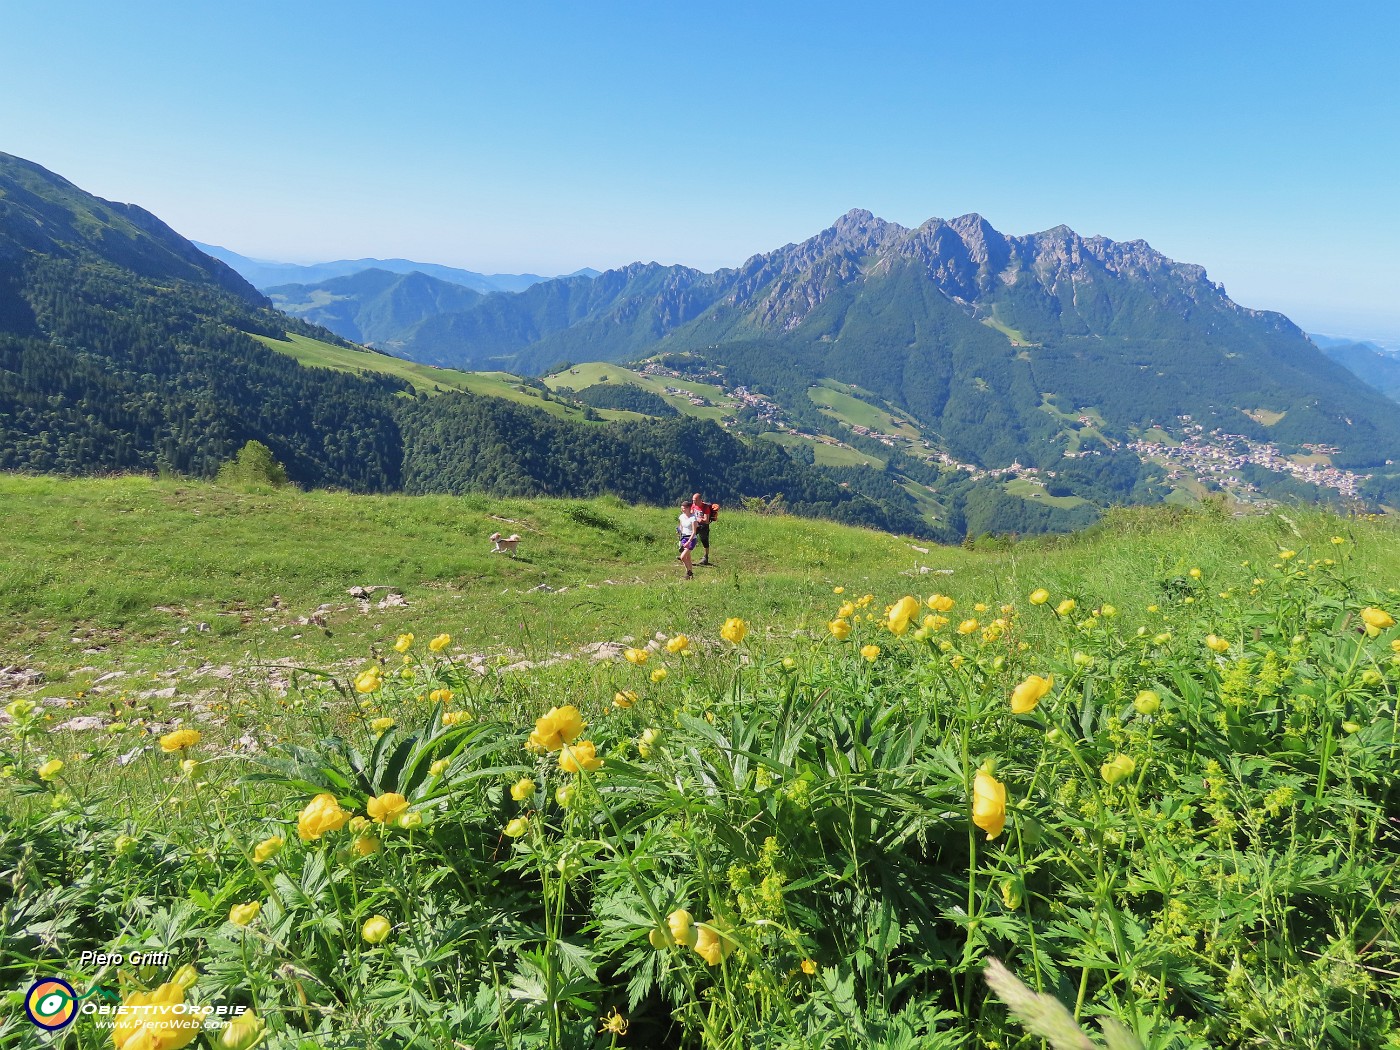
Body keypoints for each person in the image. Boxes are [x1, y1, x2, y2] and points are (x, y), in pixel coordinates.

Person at [689, 492, 719, 565]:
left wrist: (698, 519)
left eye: (695, 500)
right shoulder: (693, 505)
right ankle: (685, 554)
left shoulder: (705, 507)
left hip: (703, 527)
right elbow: (691, 513)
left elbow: (706, 520)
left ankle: (706, 558)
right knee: (690, 537)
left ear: (700, 500)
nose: (694, 502)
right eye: (693, 500)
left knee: (704, 541)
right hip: (696, 525)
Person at [677, 499, 700, 580]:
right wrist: (679, 537)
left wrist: (689, 541)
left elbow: (694, 532)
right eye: (681, 508)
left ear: (688, 508)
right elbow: (681, 527)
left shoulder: (693, 518)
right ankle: (690, 575)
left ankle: (688, 572)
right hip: (684, 538)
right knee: (688, 558)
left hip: (691, 539)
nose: (682, 509)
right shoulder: (681, 517)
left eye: (684, 508)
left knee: (682, 557)